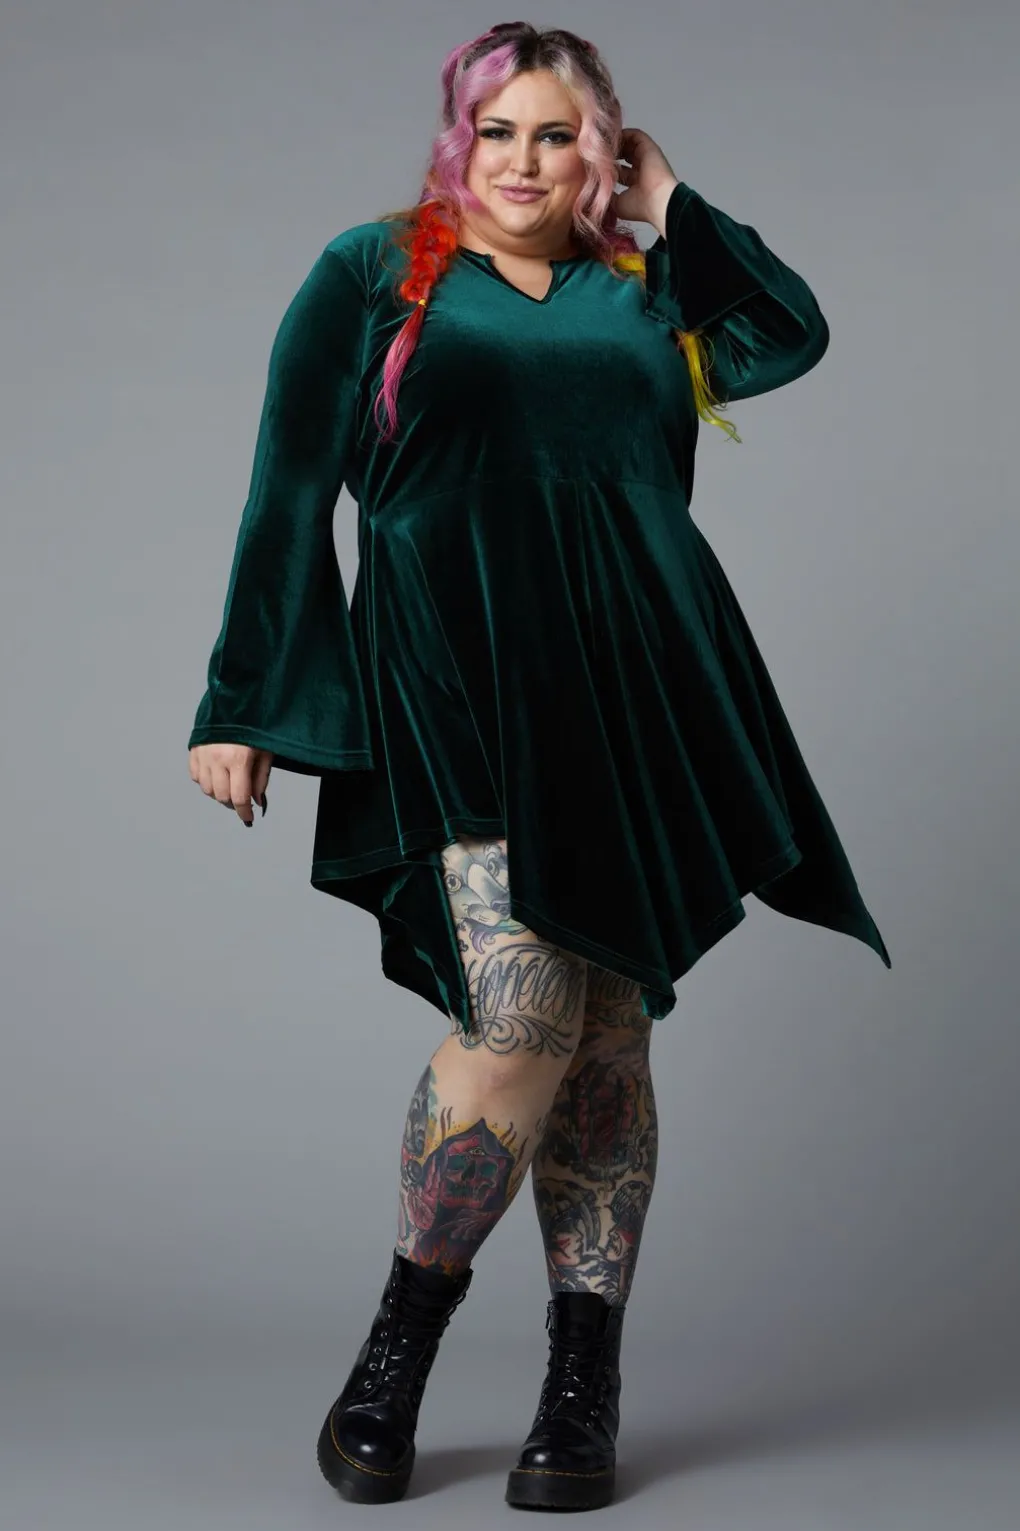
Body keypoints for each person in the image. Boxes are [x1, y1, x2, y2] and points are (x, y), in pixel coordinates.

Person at [186, 20, 891, 1514]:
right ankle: (398, 1352)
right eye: (496, 130)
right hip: (455, 675)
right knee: (519, 1013)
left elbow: (789, 332)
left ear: (600, 149)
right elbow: (289, 484)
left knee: (611, 1034)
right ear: (459, 138)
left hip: (638, 682)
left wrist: (670, 197)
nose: (522, 161)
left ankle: (583, 1386)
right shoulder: (374, 272)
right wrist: (240, 702)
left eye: (557, 133)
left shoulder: (642, 287)